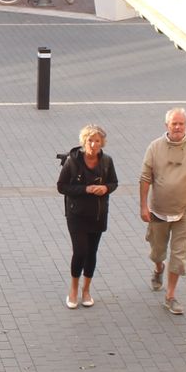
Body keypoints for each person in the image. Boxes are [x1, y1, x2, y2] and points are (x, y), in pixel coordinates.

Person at [139, 107, 186, 316]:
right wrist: (144, 206)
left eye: (181, 124)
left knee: (179, 255)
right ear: (167, 126)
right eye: (174, 124)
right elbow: (145, 178)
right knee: (157, 251)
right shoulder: (154, 147)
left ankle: (170, 296)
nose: (178, 127)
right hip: (159, 211)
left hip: (185, 210)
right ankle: (158, 268)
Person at [57, 124, 119, 309]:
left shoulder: (107, 162)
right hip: (76, 214)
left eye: (97, 140)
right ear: (84, 142)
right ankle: (74, 289)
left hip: (98, 214)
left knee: (92, 252)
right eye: (89, 140)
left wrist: (106, 188)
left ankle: (86, 290)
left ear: (102, 143)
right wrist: (86, 189)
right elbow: (62, 186)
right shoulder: (73, 162)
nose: (93, 144)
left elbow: (114, 182)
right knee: (80, 251)